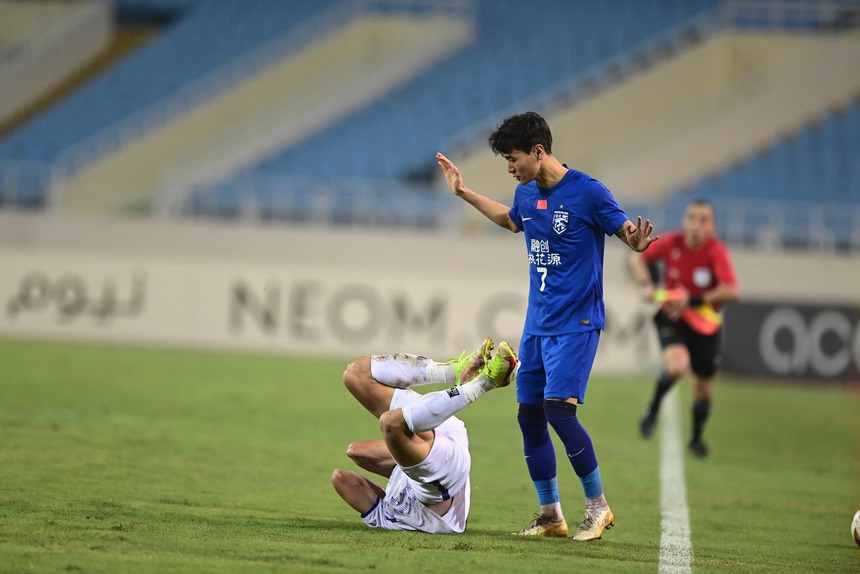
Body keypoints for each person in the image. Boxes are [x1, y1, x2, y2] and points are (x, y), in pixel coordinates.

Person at [435, 111, 658, 542]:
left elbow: (625, 230)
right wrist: (463, 192)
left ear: (538, 152)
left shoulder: (589, 192)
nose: (509, 167)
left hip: (576, 324)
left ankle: (598, 507)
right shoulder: (526, 193)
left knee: (559, 410)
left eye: (513, 157)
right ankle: (550, 514)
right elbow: (510, 220)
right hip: (536, 327)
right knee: (529, 416)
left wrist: (636, 242)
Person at [331, 338, 517, 533]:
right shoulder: (390, 521)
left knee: (356, 375)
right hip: (441, 484)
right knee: (391, 423)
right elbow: (343, 480)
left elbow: (343, 475)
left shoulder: (382, 513)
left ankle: (454, 371)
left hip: (437, 438)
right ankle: (486, 382)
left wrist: (402, 455)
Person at [630, 199, 739, 458]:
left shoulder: (715, 251)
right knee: (677, 366)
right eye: (692, 218)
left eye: (703, 220)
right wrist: (646, 284)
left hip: (705, 324)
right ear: (684, 221)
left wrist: (693, 299)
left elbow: (731, 290)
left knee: (703, 390)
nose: (696, 225)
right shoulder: (672, 242)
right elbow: (638, 259)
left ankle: (696, 438)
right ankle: (653, 409)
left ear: (712, 225)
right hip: (672, 316)